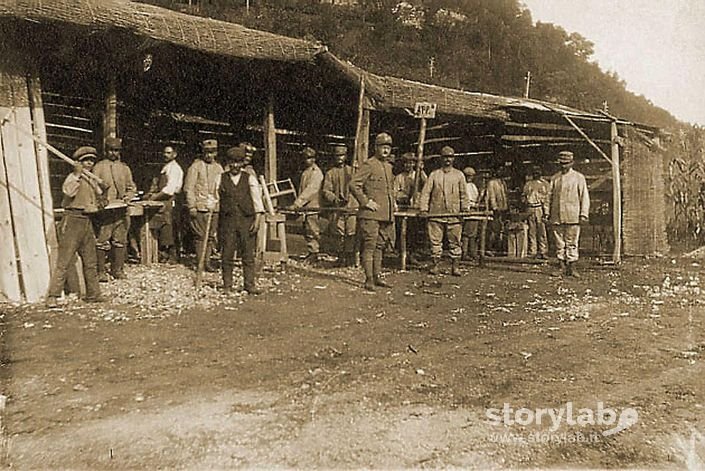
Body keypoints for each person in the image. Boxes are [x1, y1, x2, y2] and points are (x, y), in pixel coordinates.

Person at [46, 147, 107, 308]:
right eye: (86, 160)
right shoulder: (72, 178)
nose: (89, 163)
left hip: (87, 221)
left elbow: (98, 200)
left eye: (92, 160)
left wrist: (102, 197)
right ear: (78, 163)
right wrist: (78, 174)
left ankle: (94, 294)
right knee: (64, 261)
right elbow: (68, 191)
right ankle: (53, 296)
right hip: (73, 220)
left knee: (90, 261)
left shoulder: (92, 180)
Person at [350, 132, 396, 291]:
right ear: (376, 147)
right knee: (369, 246)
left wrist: (393, 204)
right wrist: (366, 202)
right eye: (383, 147)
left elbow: (389, 190)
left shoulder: (388, 167)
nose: (385, 150)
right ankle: (368, 279)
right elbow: (354, 185)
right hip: (370, 215)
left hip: (384, 214)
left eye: (388, 147)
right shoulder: (369, 164)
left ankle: (377, 276)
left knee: (379, 246)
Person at [219, 147, 265, 294]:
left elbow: (257, 201)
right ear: (228, 163)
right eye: (232, 162)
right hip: (228, 221)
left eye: (238, 162)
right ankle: (227, 285)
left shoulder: (249, 178)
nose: (235, 166)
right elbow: (215, 198)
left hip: (246, 220)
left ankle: (249, 284)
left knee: (248, 253)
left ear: (242, 163)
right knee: (227, 253)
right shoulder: (221, 178)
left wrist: (257, 219)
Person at [418, 146, 469, 276]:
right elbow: (426, 193)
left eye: (450, 157)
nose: (448, 159)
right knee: (435, 241)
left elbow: (464, 194)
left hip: (454, 214)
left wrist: (464, 208)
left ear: (453, 158)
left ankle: (455, 267)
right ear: (441, 158)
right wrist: (424, 209)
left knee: (455, 241)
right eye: (445, 157)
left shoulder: (459, 175)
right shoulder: (435, 175)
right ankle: (435, 265)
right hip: (436, 213)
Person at [92, 136, 136, 281]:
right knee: (102, 240)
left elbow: (131, 187)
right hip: (105, 211)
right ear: (106, 151)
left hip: (121, 210)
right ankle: (100, 272)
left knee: (120, 240)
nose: (113, 153)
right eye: (111, 150)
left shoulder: (125, 168)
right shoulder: (99, 167)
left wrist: (128, 197)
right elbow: (93, 186)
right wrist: (101, 199)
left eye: (116, 150)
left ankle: (117, 270)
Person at [547, 151, 590, 277]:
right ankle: (561, 266)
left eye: (566, 164)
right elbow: (549, 197)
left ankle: (572, 267)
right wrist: (546, 213)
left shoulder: (578, 177)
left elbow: (584, 197)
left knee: (572, 242)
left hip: (573, 215)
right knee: (559, 242)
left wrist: (583, 214)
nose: (563, 166)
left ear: (572, 163)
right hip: (557, 215)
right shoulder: (555, 178)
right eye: (561, 164)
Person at [184, 139, 223, 271]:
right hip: (199, 207)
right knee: (200, 236)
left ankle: (207, 261)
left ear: (216, 153)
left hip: (214, 207)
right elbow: (189, 188)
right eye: (206, 152)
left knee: (211, 236)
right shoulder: (195, 167)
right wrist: (192, 206)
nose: (209, 155)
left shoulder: (219, 168)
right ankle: (200, 262)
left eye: (212, 152)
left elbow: (221, 188)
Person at [146, 145, 184, 263]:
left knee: (170, 226)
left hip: (169, 200)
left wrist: (154, 197)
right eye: (164, 153)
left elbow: (169, 189)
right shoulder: (166, 167)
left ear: (174, 154)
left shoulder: (175, 169)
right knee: (163, 226)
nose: (165, 155)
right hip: (163, 201)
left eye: (168, 153)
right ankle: (164, 254)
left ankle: (173, 256)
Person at [322, 143, 357, 266]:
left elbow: (359, 187)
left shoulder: (353, 171)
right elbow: (326, 190)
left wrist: (352, 198)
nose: (339, 158)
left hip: (352, 208)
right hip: (338, 208)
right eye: (337, 155)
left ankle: (350, 257)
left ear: (346, 156)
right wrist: (334, 199)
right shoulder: (330, 173)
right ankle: (340, 257)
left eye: (342, 155)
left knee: (351, 233)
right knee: (339, 233)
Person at [291, 146, 323, 262]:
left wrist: (298, 203)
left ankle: (314, 253)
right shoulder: (306, 172)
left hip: (313, 205)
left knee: (312, 229)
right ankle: (311, 251)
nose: (308, 160)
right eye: (306, 158)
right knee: (306, 229)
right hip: (306, 207)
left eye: (310, 158)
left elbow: (311, 190)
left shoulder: (316, 173)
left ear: (314, 159)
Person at [522, 166, 549, 259]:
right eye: (534, 173)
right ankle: (533, 250)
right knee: (531, 231)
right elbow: (524, 196)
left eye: (538, 172)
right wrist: (525, 201)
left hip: (539, 208)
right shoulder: (528, 184)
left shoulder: (544, 184)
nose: (536, 174)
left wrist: (546, 212)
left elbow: (547, 199)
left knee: (541, 230)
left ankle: (543, 251)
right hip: (530, 208)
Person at [484, 168, 509, 256]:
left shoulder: (503, 183)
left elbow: (505, 195)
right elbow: (491, 196)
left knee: (500, 229)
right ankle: (489, 248)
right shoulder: (492, 183)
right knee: (493, 229)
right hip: (495, 210)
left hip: (503, 208)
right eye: (499, 170)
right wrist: (494, 207)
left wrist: (506, 206)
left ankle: (498, 248)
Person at [461, 166, 480, 260]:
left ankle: (472, 252)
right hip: (468, 209)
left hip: (474, 208)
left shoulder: (472, 185)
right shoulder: (464, 185)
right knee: (467, 233)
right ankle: (465, 253)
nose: (470, 177)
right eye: (468, 176)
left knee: (473, 233)